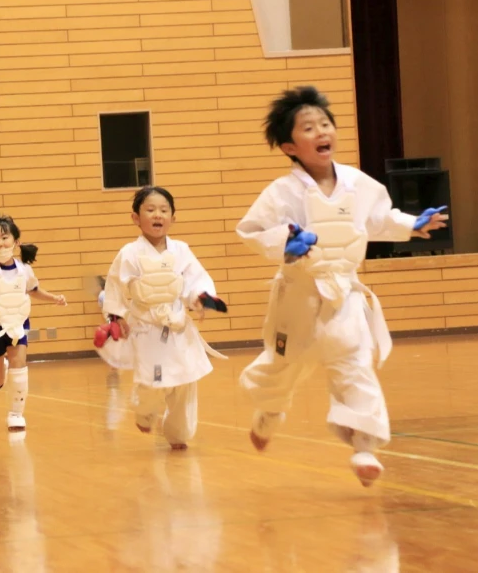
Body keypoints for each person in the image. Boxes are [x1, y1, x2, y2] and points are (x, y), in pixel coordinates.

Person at [236, 86, 449, 486]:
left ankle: (364, 446)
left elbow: (381, 218)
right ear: (289, 147)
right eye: (308, 127)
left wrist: (412, 224)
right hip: (298, 293)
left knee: (354, 362)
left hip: (344, 294)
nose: (321, 132)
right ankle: (269, 411)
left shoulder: (357, 184)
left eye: (325, 124)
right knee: (283, 366)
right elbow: (252, 231)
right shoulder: (281, 192)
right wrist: (286, 242)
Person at [101, 186, 228, 450]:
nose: (157, 215)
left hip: (178, 325)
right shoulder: (129, 254)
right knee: (152, 379)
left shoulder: (181, 250)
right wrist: (116, 316)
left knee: (184, 381)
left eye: (163, 210)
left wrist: (202, 297)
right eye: (150, 210)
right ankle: (145, 410)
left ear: (172, 216)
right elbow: (114, 287)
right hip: (146, 328)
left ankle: (177, 432)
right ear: (136, 218)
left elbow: (196, 280)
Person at [0, 213, 66, 433]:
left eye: (4, 237)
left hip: (18, 325)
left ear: (16, 242)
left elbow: (34, 291)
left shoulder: (24, 270)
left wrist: (54, 298)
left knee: (19, 367)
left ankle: (16, 415)